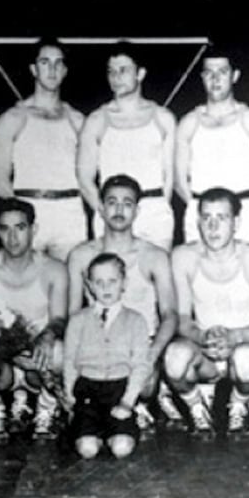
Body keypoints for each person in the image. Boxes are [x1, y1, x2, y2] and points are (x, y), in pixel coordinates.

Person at [67, 174, 180, 433]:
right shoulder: (81, 256)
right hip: (96, 345)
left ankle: (144, 399)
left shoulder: (154, 256)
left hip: (140, 345)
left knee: (145, 381)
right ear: (101, 208)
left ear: (137, 210)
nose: (119, 210)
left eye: (127, 203)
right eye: (112, 202)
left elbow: (170, 314)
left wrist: (152, 354)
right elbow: (74, 314)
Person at [163, 188, 249, 439]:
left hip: (246, 348)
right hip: (207, 353)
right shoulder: (183, 257)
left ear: (236, 223)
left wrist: (235, 337)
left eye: (221, 218)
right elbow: (181, 319)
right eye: (206, 218)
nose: (213, 227)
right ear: (198, 221)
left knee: (246, 360)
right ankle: (197, 408)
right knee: (174, 357)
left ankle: (241, 400)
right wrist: (202, 338)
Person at [0, 199, 69, 441]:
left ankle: (46, 409)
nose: (13, 237)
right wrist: (11, 351)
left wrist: (47, 336)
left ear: (34, 229)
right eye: (5, 228)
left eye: (20, 227)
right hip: (3, 365)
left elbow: (60, 319)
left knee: (60, 350)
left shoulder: (54, 269)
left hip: (38, 366)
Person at [77, 44, 177, 250]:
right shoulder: (96, 120)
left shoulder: (163, 118)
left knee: (155, 278)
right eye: (111, 72)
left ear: (140, 73)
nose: (116, 77)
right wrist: (106, 210)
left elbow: (169, 175)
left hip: (154, 213)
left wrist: (159, 206)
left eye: (123, 70)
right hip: (113, 214)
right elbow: (85, 179)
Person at [0, 39, 86, 262]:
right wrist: (20, 219)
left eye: (58, 64)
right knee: (28, 288)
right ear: (34, 69)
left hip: (69, 214)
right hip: (30, 210)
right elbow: (0, 183)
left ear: (64, 71)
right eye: (45, 63)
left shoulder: (77, 120)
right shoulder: (14, 118)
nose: (52, 70)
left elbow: (87, 176)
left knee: (69, 288)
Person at [175, 52, 249, 245]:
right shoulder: (189, 122)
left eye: (222, 72)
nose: (215, 79)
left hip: (245, 218)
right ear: (202, 77)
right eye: (209, 73)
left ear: (234, 76)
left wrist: (244, 211)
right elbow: (179, 182)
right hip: (201, 217)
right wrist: (202, 211)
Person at [64, 253, 151, 460]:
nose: (106, 288)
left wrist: (128, 402)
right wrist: (69, 398)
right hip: (87, 392)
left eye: (112, 281)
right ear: (90, 285)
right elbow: (69, 361)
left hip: (118, 392)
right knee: (87, 450)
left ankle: (118, 430)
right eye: (99, 282)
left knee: (122, 448)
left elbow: (140, 365)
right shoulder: (78, 320)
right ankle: (91, 432)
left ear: (124, 282)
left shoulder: (136, 320)